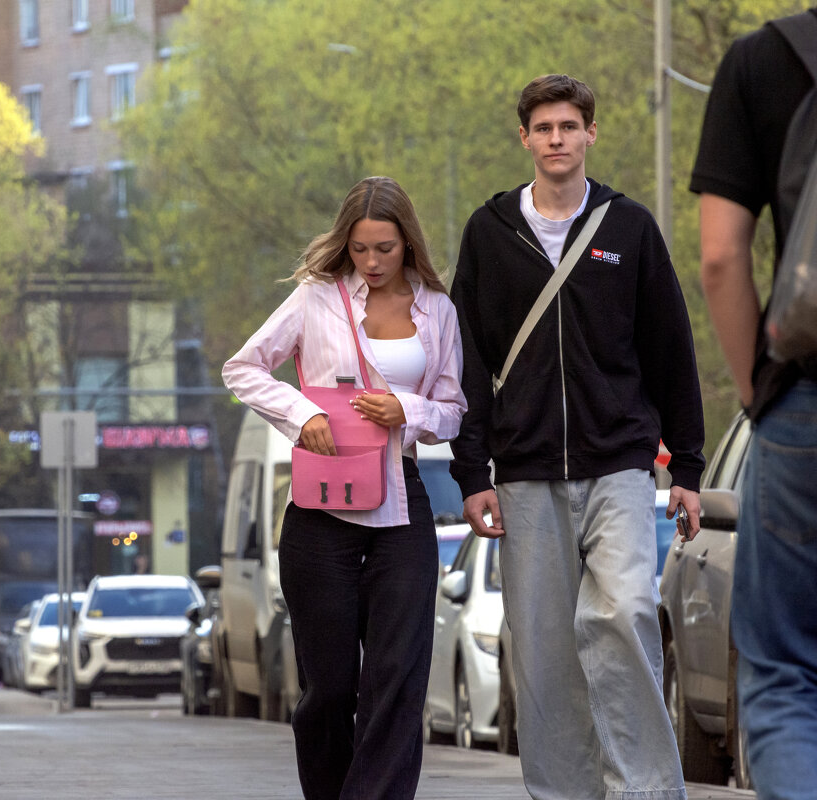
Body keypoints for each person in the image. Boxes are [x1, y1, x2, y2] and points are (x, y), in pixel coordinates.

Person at [449, 74, 705, 800]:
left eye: (569, 125)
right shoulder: (490, 232)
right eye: (543, 127)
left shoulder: (628, 228)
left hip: (620, 464)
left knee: (622, 614)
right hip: (526, 473)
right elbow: (468, 359)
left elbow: (670, 350)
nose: (556, 138)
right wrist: (472, 474)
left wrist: (686, 463)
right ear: (524, 138)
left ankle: (648, 790)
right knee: (546, 655)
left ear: (592, 132)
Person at [223, 175, 465, 800]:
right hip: (321, 510)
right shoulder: (315, 300)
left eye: (385, 247)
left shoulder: (438, 310)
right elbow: (243, 368)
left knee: (399, 680)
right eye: (360, 248)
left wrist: (407, 411)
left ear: (407, 243)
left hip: (402, 508)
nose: (372, 262)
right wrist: (303, 416)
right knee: (329, 689)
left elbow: (453, 409)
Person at [691, 11, 817, 796]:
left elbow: (719, 256)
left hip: (807, 398)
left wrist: (759, 393)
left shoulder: (765, 61)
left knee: (785, 673)